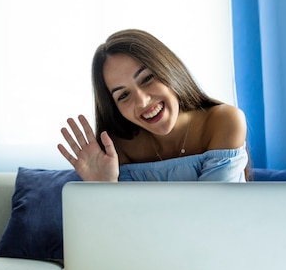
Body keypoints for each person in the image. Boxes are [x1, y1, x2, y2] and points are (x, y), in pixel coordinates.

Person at [57, 29, 248, 182]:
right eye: (123, 95)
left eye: (147, 78)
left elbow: (212, 216)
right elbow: (122, 225)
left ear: (169, 69)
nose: (142, 101)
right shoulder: (117, 148)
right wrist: (105, 186)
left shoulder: (224, 121)